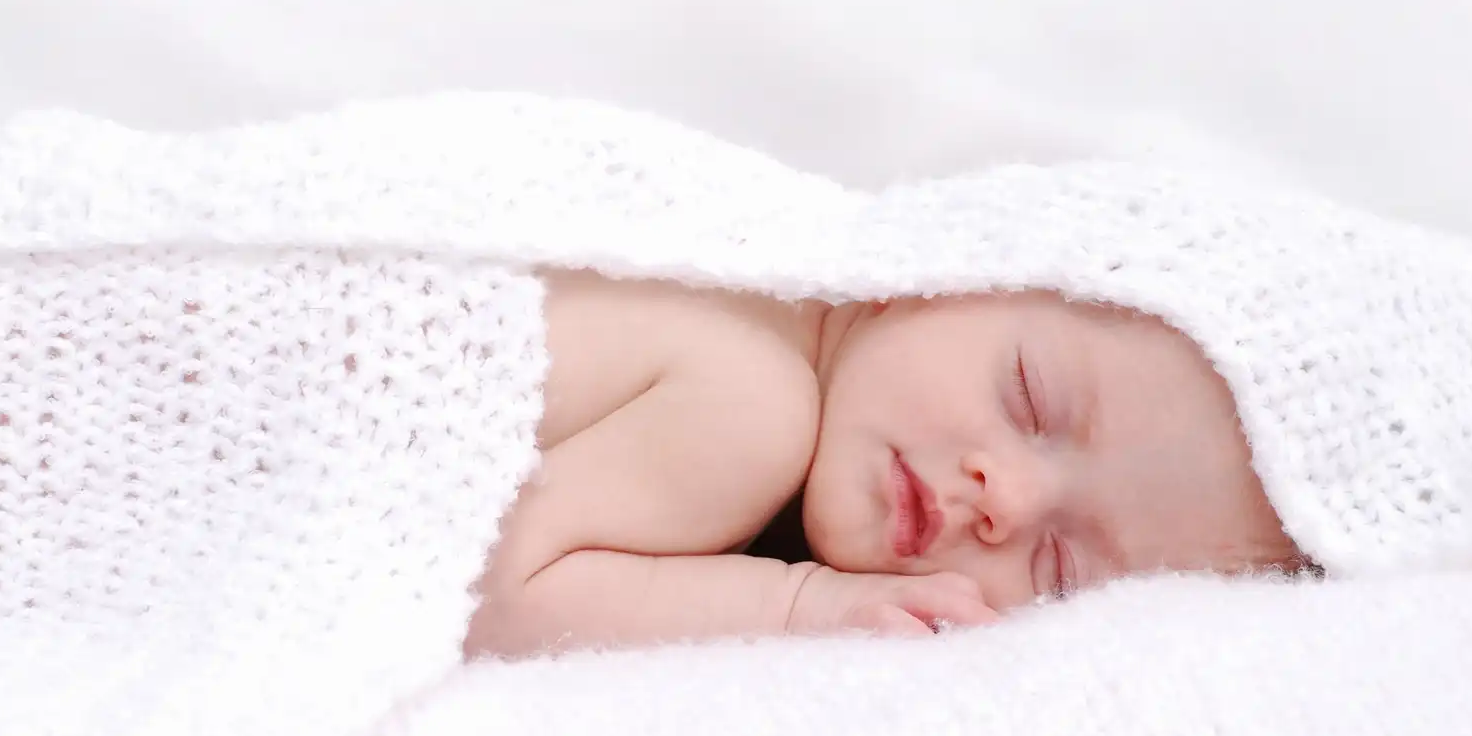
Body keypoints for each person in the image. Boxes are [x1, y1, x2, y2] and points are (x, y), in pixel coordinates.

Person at [463, 271, 1304, 659]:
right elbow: (495, 598)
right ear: (953, 277)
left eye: (1060, 570)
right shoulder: (754, 405)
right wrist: (807, 608)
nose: (1004, 499)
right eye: (1029, 398)